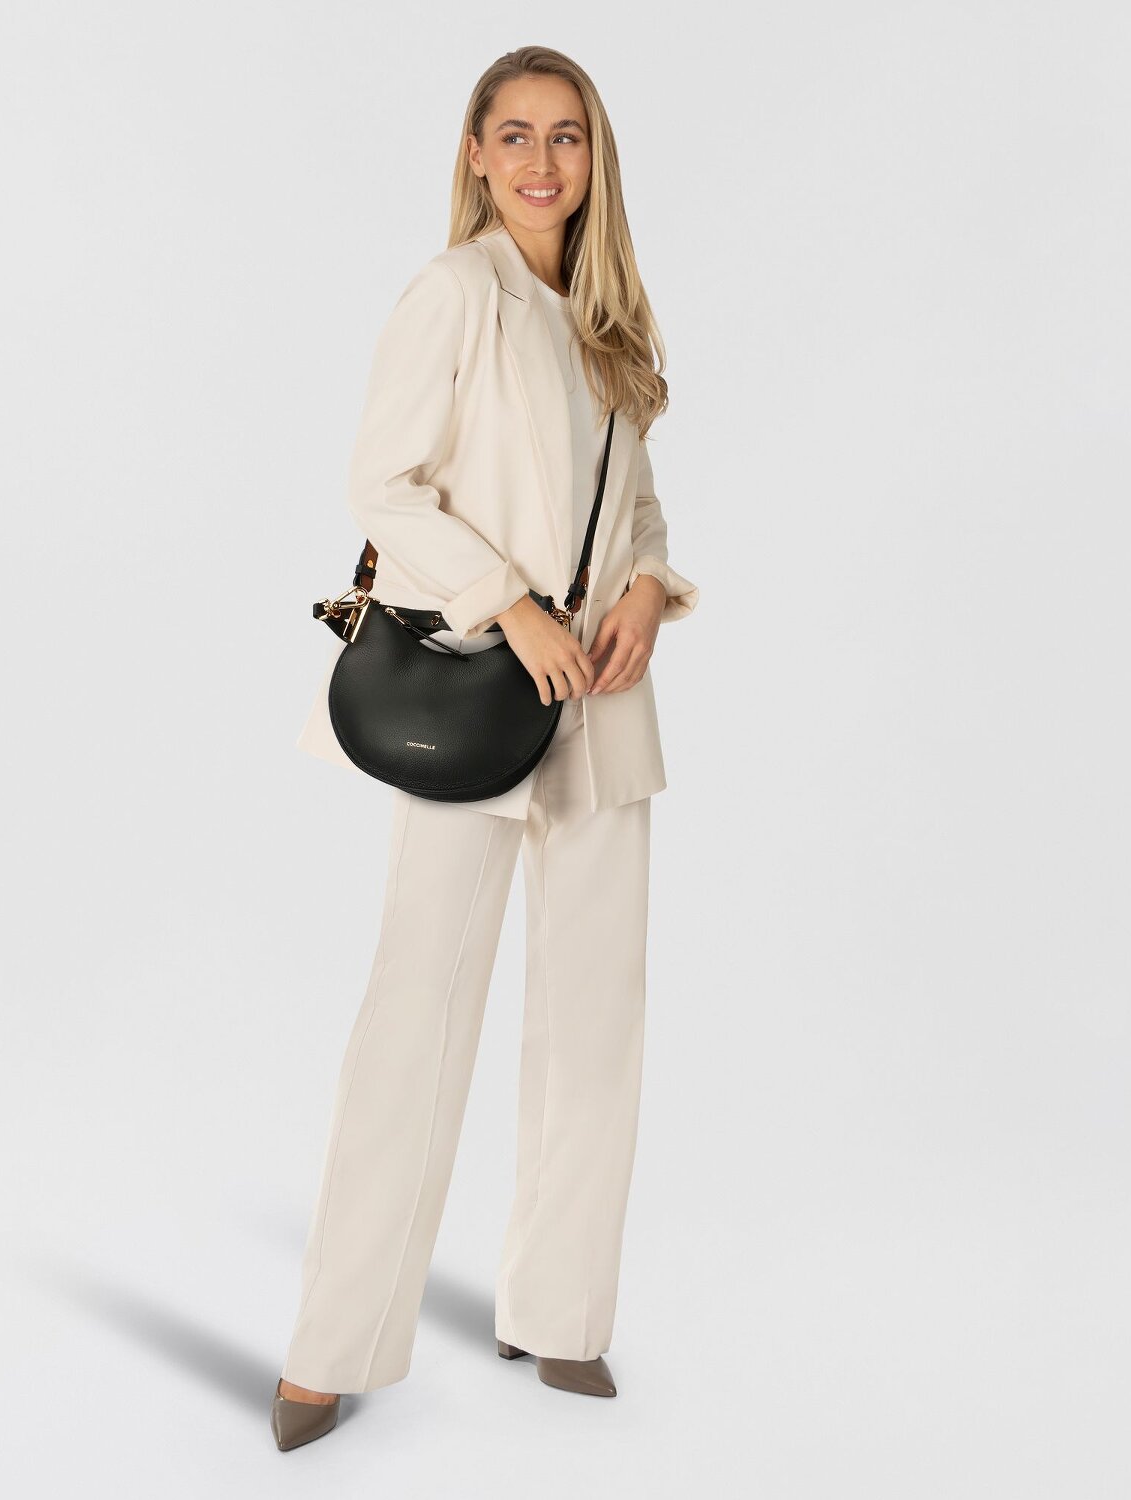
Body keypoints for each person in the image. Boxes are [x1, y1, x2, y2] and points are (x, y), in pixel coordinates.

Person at [275, 44, 700, 1452]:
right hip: (478, 689)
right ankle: (332, 1344)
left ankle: (560, 1313)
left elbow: (635, 509)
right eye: (513, 135)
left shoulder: (610, 316)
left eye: (565, 136)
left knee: (595, 1022)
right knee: (420, 1011)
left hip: (603, 703)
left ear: (595, 157)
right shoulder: (456, 294)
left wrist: (649, 588)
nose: (539, 161)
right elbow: (383, 487)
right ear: (473, 152)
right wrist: (507, 604)